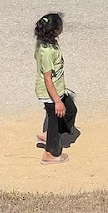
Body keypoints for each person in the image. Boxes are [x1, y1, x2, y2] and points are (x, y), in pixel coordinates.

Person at [33, 13, 77, 164]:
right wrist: (57, 101)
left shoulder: (47, 42)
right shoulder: (47, 51)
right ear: (55, 30)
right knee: (55, 118)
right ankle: (50, 154)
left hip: (58, 89)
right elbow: (47, 79)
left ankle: (51, 135)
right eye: (60, 25)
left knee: (70, 111)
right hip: (50, 93)